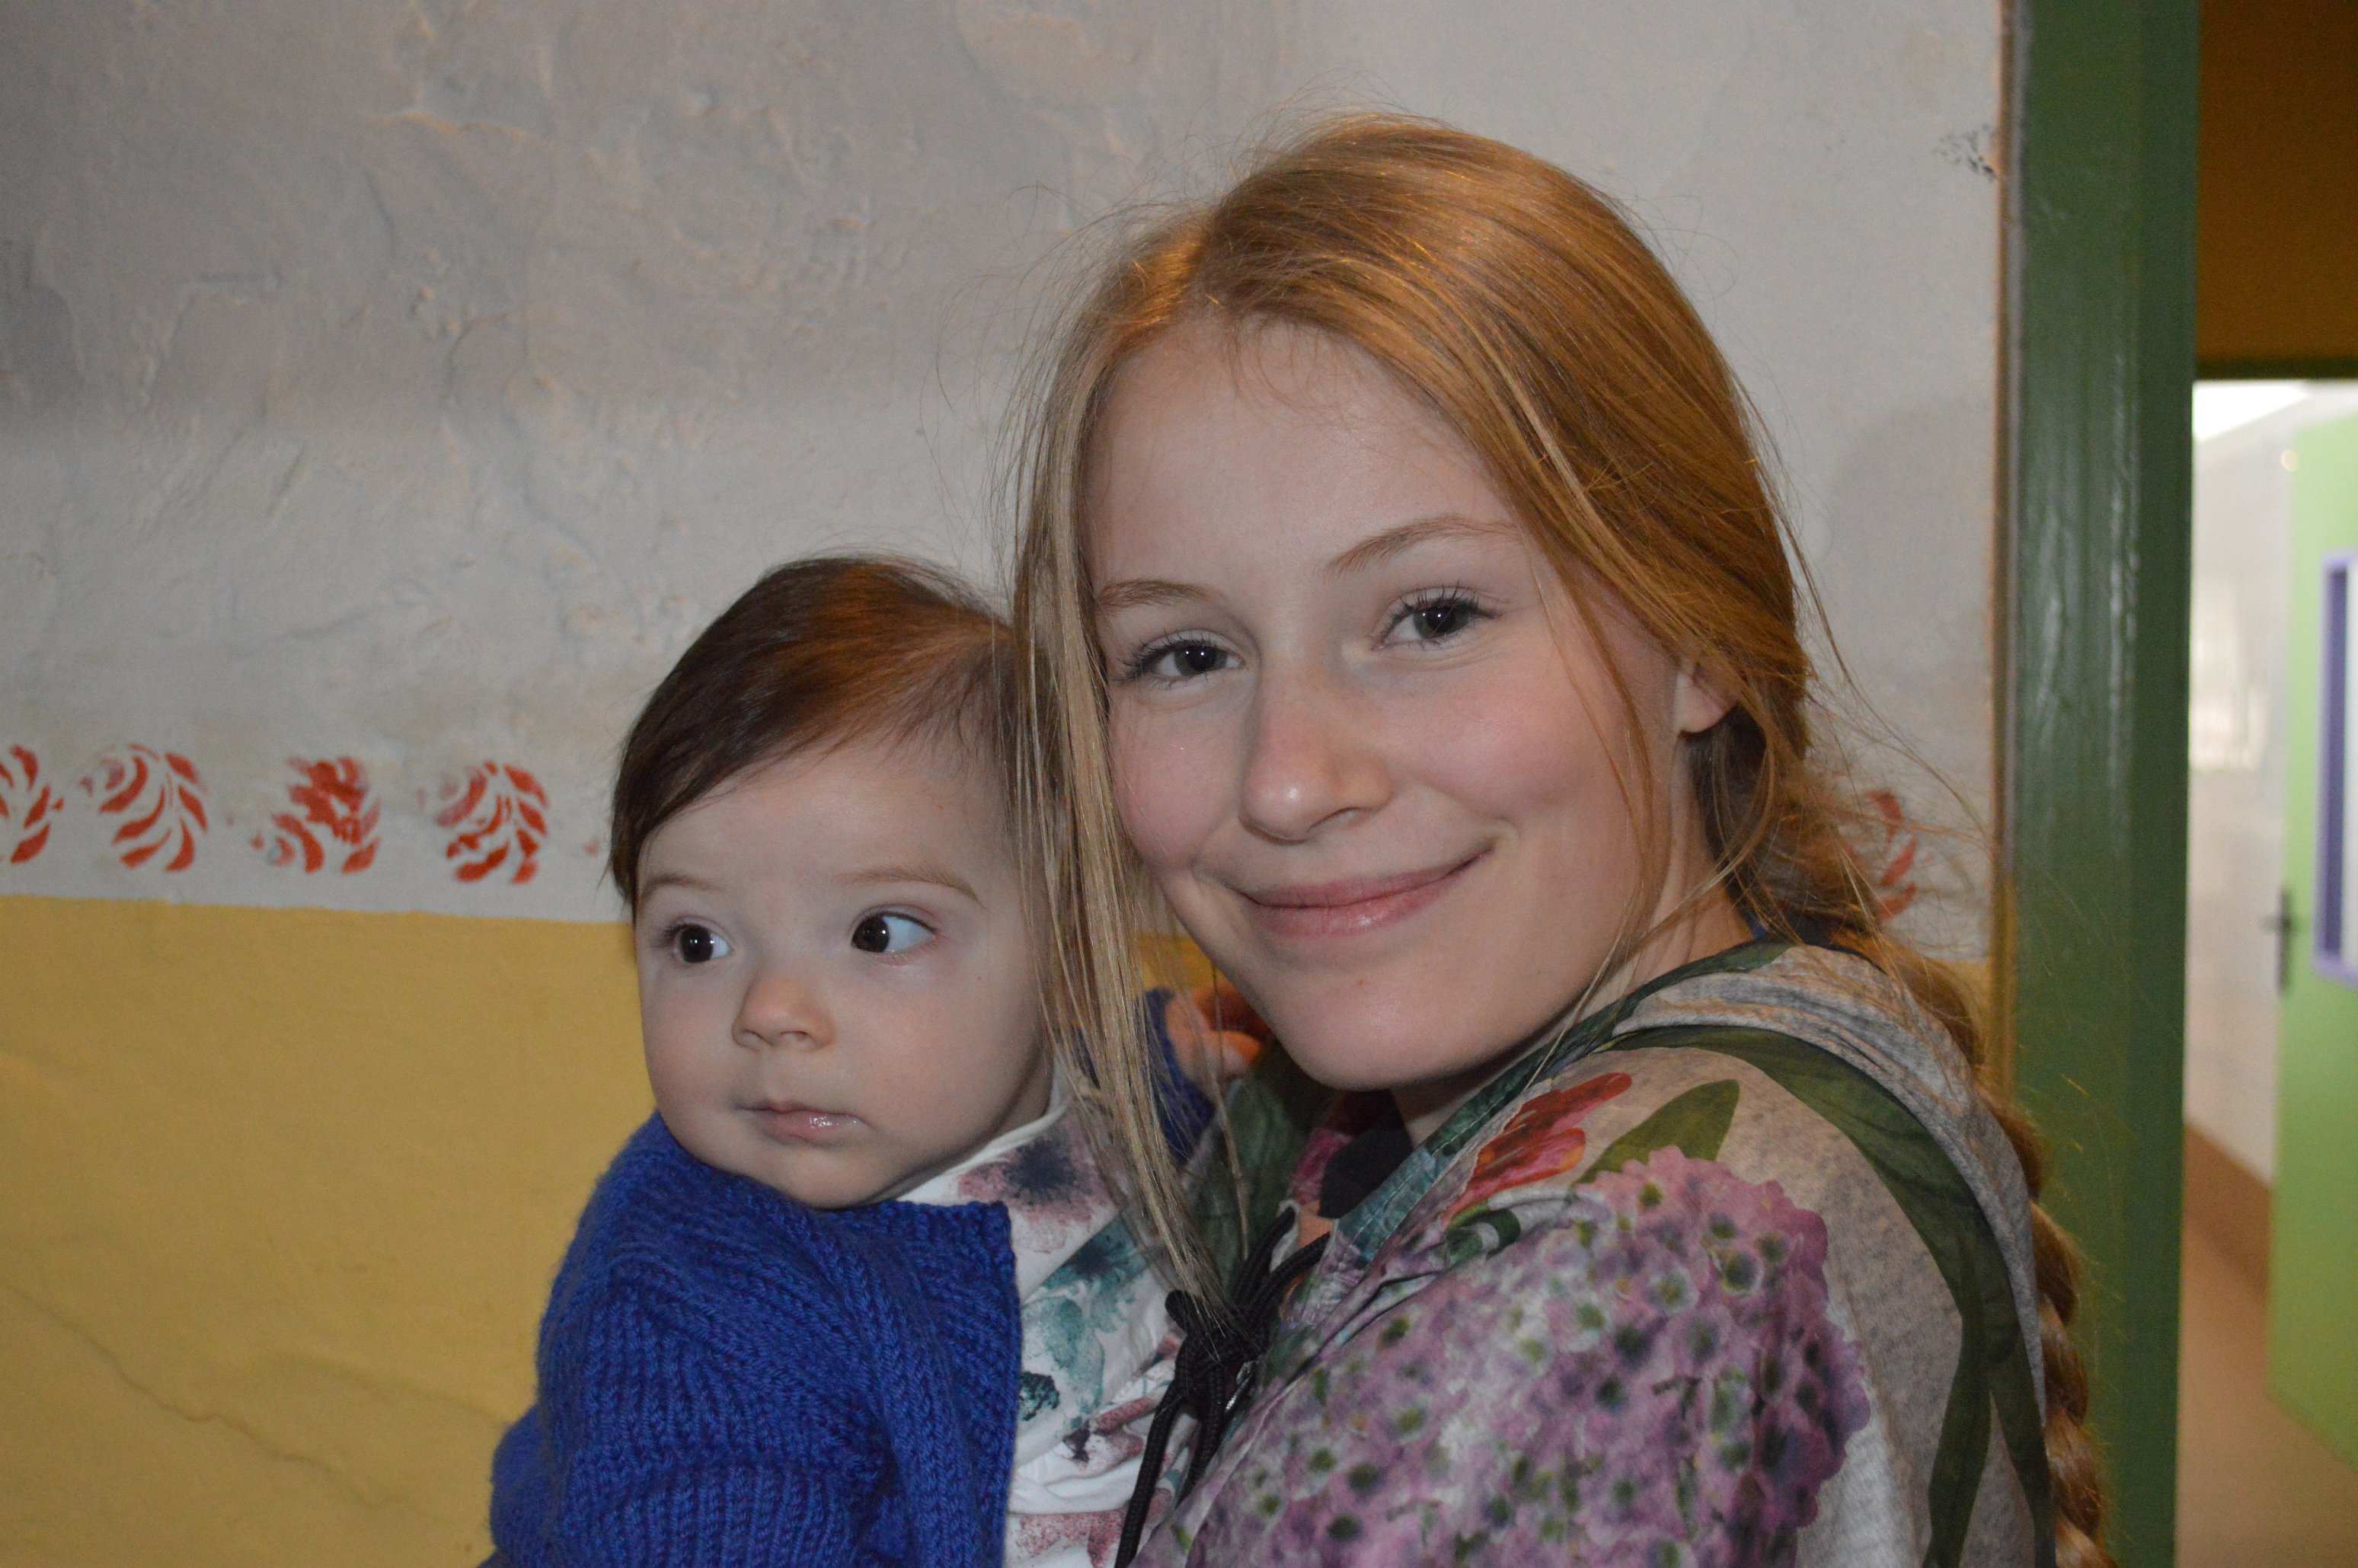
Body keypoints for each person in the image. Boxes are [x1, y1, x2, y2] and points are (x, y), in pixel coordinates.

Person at [1009, 114, 2110, 1567]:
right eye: (1185, 655)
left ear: (1697, 637)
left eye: (1432, 617)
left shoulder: (1601, 1277)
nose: (1286, 783)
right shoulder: (1421, 1112)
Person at [487, 556, 1235, 1568]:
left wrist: (1175, 1057)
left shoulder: (1093, 1093)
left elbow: (1099, 1095)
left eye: (878, 933)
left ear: (1067, 936)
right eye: (698, 941)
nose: (770, 1013)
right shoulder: (694, 1301)